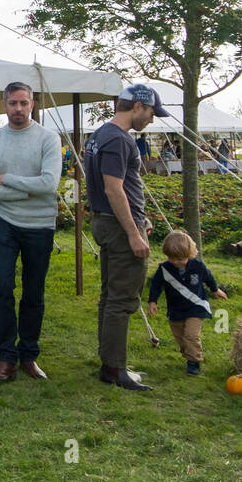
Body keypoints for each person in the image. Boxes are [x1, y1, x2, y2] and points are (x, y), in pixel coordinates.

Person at [86, 84, 168, 391]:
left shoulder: (98, 135)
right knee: (122, 300)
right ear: (137, 107)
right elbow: (113, 188)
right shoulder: (119, 140)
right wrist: (134, 232)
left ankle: (110, 363)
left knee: (110, 297)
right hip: (121, 228)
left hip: (105, 222)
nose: (151, 120)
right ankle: (115, 370)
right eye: (150, 113)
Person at [0, 81, 62, 382]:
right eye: (13, 103)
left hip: (40, 226)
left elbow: (49, 185)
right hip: (6, 223)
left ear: (33, 104)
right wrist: (27, 192)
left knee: (33, 292)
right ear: (5, 104)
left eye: (23, 103)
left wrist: (8, 180)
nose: (18, 109)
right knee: (0, 286)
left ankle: (28, 354)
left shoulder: (48, 139)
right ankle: (5, 356)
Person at [147, 229, 227, 375]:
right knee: (180, 337)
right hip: (176, 309)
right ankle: (189, 353)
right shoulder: (164, 269)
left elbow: (209, 278)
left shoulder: (198, 266)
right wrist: (152, 301)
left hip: (196, 307)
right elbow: (156, 285)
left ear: (189, 254)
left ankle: (194, 362)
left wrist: (216, 290)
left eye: (180, 259)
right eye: (172, 258)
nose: (176, 262)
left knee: (191, 335)